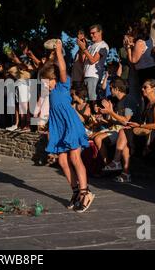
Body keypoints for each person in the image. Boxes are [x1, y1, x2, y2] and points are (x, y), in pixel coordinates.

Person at [40, 40, 94, 213]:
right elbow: (51, 66)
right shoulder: (51, 90)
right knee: (62, 161)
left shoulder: (63, 85)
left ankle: (86, 193)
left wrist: (58, 50)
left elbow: (62, 68)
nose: (45, 84)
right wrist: (51, 56)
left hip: (71, 126)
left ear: (54, 79)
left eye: (47, 81)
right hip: (59, 127)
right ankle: (76, 191)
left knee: (75, 158)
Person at [105, 79, 155, 183]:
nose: (142, 89)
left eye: (145, 87)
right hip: (145, 132)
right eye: (142, 87)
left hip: (154, 136)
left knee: (123, 132)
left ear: (153, 89)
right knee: (124, 134)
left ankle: (117, 163)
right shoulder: (148, 104)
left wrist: (138, 125)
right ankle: (125, 173)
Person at [78, 24, 109, 109]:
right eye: (90, 33)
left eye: (93, 33)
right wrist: (82, 49)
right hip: (86, 76)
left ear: (100, 32)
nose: (91, 35)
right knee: (85, 101)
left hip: (94, 77)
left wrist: (84, 48)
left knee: (93, 101)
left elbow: (92, 61)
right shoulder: (91, 46)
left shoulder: (103, 46)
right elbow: (82, 61)